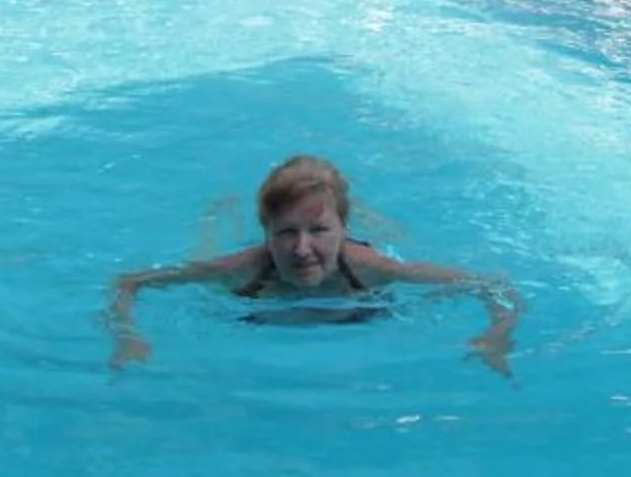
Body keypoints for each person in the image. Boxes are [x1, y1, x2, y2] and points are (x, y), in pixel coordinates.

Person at [107, 155, 522, 374]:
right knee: (207, 243)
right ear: (267, 233)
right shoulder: (241, 269)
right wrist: (129, 338)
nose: (302, 249)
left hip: (356, 263)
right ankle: (223, 210)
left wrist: (496, 337)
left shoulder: (372, 267)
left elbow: (493, 286)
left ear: (342, 229)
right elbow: (129, 283)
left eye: (319, 231)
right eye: (286, 233)